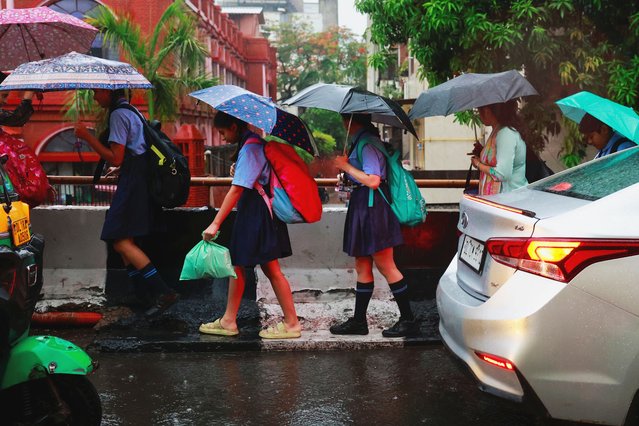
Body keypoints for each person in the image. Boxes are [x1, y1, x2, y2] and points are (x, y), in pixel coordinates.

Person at [74, 89, 179, 317]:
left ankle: (163, 292)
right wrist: (123, 168)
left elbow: (116, 156)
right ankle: (141, 294)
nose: (94, 97)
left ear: (108, 92)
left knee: (120, 242)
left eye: (97, 93)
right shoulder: (131, 110)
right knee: (124, 241)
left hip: (133, 184)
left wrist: (87, 136)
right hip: (138, 179)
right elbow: (134, 151)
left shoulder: (118, 115)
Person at [199, 111, 301, 339]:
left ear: (234, 126)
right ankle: (229, 320)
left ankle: (291, 324)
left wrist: (215, 224)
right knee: (247, 267)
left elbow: (236, 190)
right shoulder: (252, 145)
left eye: (223, 132)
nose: (223, 138)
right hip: (258, 212)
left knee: (256, 267)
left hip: (256, 214)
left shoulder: (251, 147)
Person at [329, 113, 418, 338]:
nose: (342, 124)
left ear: (351, 120)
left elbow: (373, 180)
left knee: (386, 265)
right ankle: (359, 321)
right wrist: (348, 171)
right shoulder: (361, 142)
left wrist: (346, 167)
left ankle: (409, 320)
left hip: (373, 208)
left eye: (344, 119)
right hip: (364, 207)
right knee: (362, 264)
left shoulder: (368, 143)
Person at [470, 99, 528, 195]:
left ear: (487, 111)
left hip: (510, 199)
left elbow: (502, 174)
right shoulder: (498, 130)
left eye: (480, 110)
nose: (479, 115)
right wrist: (482, 152)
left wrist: (478, 164)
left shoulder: (505, 133)